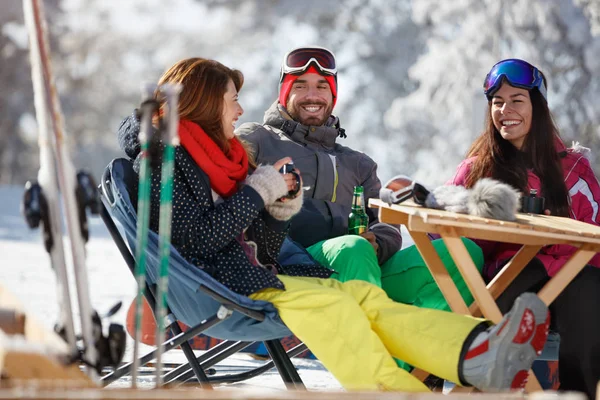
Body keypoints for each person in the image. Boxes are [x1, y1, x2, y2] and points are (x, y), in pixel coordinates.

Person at [117, 57, 549, 393]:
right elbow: (202, 239)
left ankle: (479, 351)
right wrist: (260, 191)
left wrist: (276, 211)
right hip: (216, 293)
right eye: (232, 99)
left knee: (361, 296)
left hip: (252, 276)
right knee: (338, 304)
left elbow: (253, 247)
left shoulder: (219, 161)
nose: (240, 109)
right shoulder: (164, 162)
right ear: (208, 102)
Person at [235, 45, 483, 313]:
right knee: (353, 248)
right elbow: (227, 193)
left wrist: (378, 243)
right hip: (289, 268)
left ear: (333, 94)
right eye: (300, 86)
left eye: (321, 86)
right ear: (284, 93)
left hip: (361, 266)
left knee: (461, 253)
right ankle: (373, 344)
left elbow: (384, 222)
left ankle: (435, 350)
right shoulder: (257, 139)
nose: (312, 96)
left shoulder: (359, 164)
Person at [449, 58, 600, 399]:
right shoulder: (476, 169)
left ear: (539, 107)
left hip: (572, 279)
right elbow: (448, 231)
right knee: (513, 278)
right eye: (497, 102)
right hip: (506, 278)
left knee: (589, 292)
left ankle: (581, 393)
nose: (505, 110)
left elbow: (594, 232)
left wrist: (552, 237)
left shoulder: (573, 170)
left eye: (517, 100)